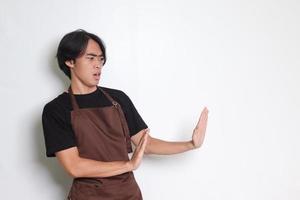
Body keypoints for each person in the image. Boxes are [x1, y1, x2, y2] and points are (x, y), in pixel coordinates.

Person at [42, 29, 209, 200]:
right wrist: (128, 164)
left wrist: (190, 144)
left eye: (101, 59)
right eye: (90, 58)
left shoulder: (117, 99)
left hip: (128, 194)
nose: (98, 65)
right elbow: (74, 167)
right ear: (70, 61)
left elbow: (147, 144)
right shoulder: (56, 110)